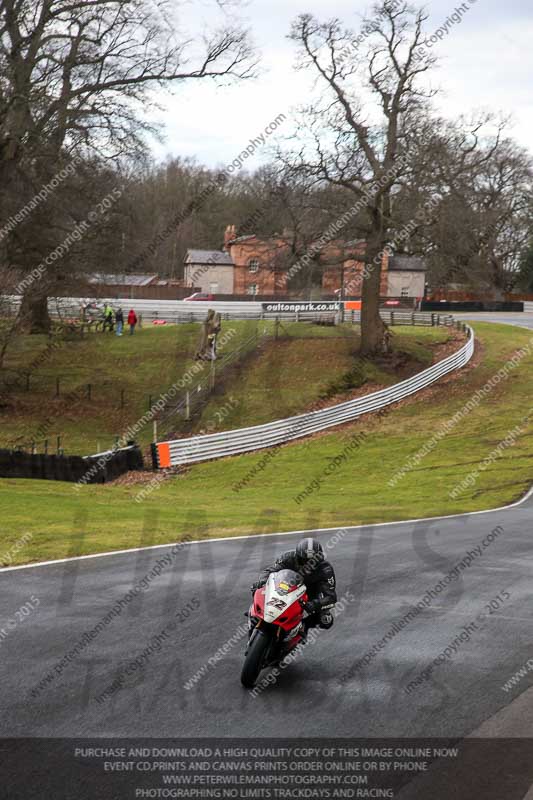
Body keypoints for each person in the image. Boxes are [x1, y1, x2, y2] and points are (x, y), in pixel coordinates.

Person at [251, 538, 337, 633]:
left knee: (326, 620)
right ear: (297, 556)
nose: (307, 565)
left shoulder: (326, 569)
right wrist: (262, 581)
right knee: (258, 589)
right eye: (303, 560)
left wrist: (314, 604)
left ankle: (303, 627)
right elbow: (270, 571)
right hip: (285, 587)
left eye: (312, 561)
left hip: (309, 595)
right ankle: (255, 613)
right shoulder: (288, 557)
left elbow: (331, 596)